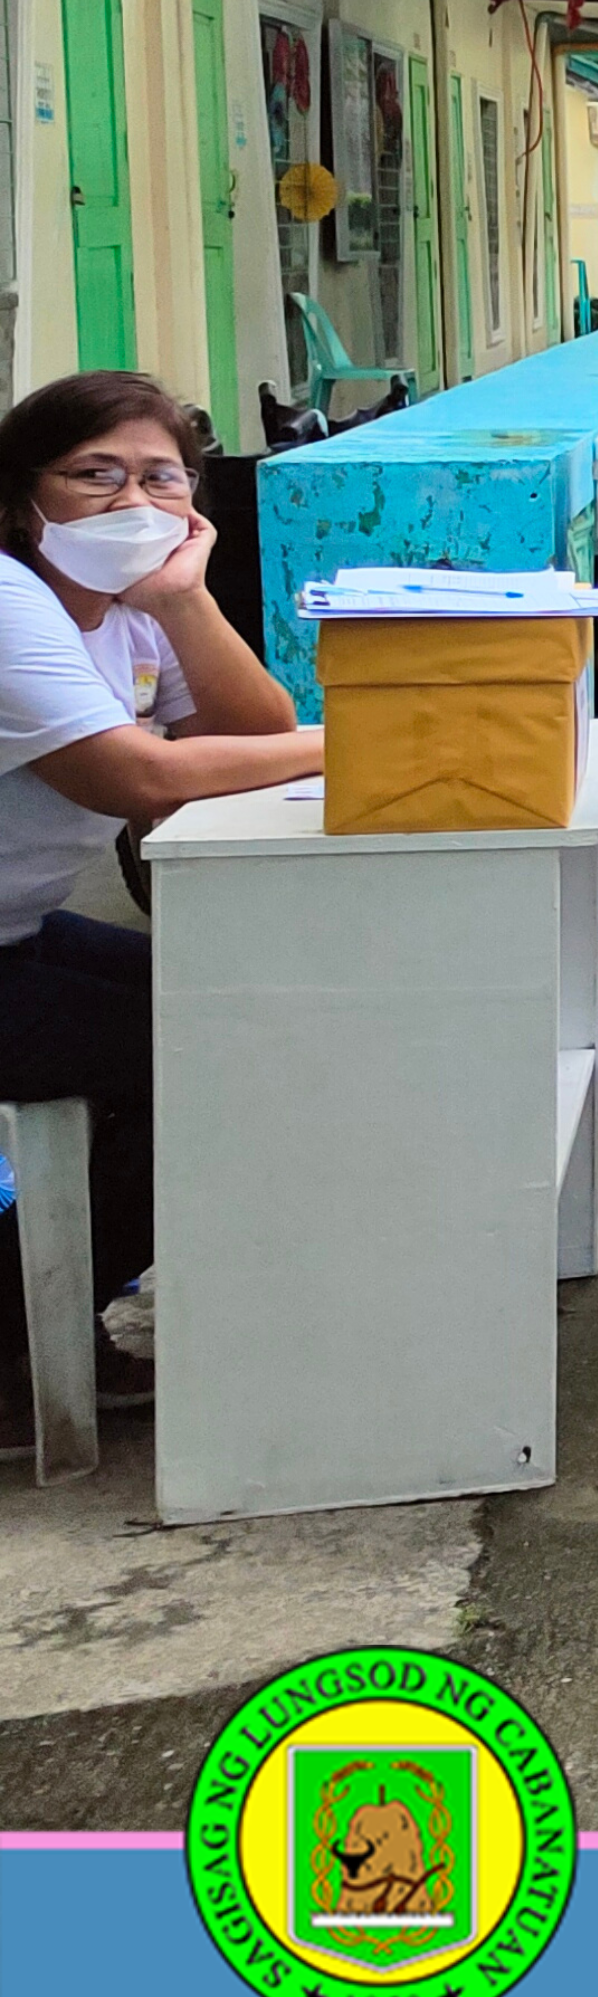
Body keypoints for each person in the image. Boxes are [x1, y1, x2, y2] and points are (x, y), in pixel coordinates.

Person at [0, 374, 321, 1446]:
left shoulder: (125, 614)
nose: (131, 501)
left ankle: (36, 1319)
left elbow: (252, 724)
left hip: (18, 932)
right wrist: (379, 742)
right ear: (22, 495)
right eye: (95, 475)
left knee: (237, 1018)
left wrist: (183, 597)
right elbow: (139, 777)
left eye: (161, 477)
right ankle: (16, 1343)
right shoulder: (11, 603)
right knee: (205, 1047)